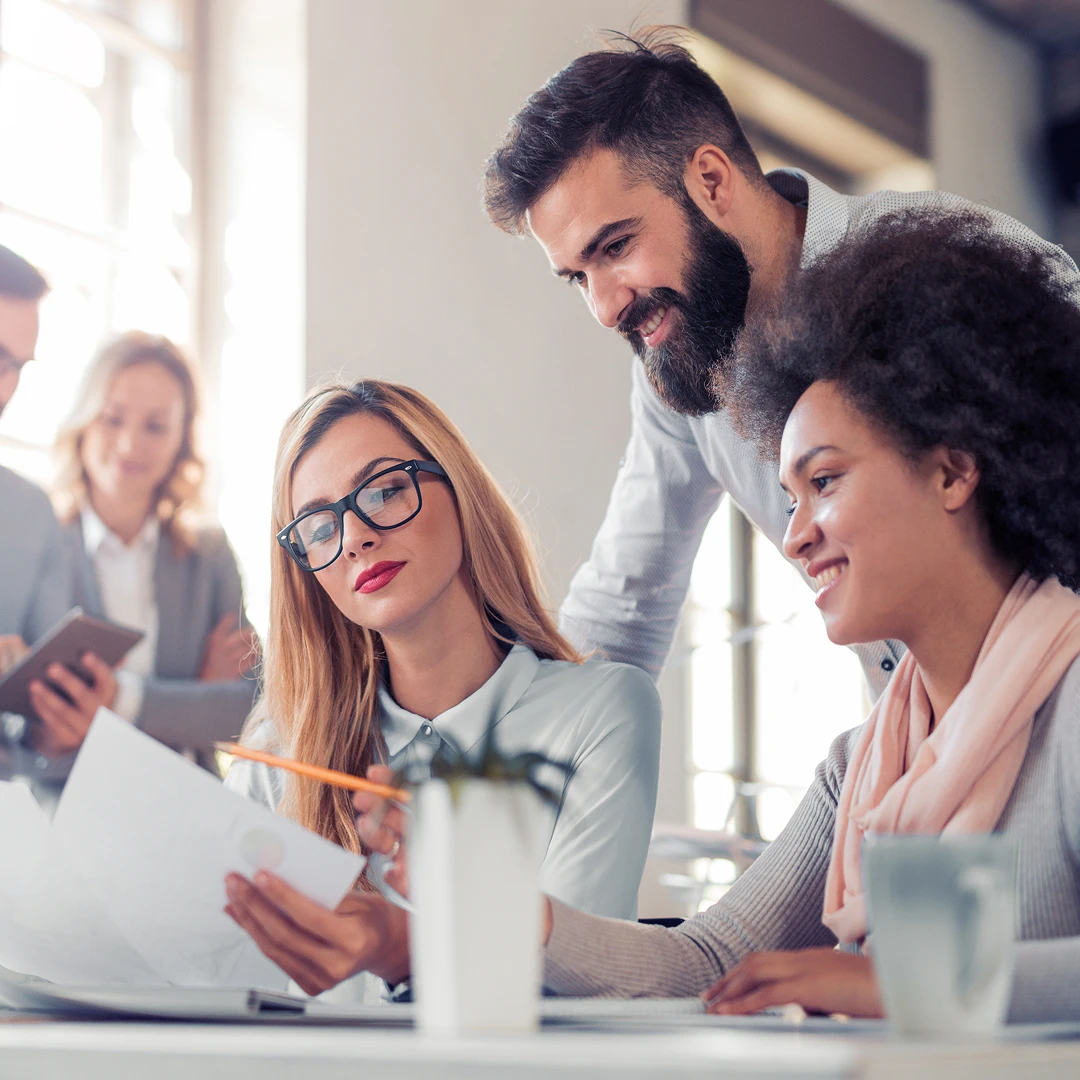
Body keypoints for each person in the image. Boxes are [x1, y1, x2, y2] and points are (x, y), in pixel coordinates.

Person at [352, 212, 1080, 1024]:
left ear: (952, 471)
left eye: (827, 482)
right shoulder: (868, 765)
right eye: (791, 497)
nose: (796, 535)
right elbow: (706, 961)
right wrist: (490, 903)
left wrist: (903, 985)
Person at [481, 33, 1080, 698]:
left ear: (711, 181)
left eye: (616, 246)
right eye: (577, 277)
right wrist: (492, 767)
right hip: (915, 741)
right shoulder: (678, 364)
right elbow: (622, 613)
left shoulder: (957, 262)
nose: (603, 307)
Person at [222, 380, 661, 1001]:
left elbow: (574, 987)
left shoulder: (603, 710)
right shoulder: (277, 756)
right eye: (319, 528)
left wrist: (409, 945)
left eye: (385, 490)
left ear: (459, 491)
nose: (355, 538)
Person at [37, 331, 258, 784]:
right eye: (112, 418)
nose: (129, 443)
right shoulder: (39, 551)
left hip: (190, 807)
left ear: (182, 438)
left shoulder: (209, 556)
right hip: (72, 814)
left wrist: (117, 701)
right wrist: (194, 698)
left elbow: (245, 710)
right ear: (83, 422)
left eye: (155, 426)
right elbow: (31, 735)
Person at [0, 245, 113, 777]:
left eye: (18, 366)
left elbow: (35, 735)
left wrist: (62, 727)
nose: (7, 388)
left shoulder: (29, 513)